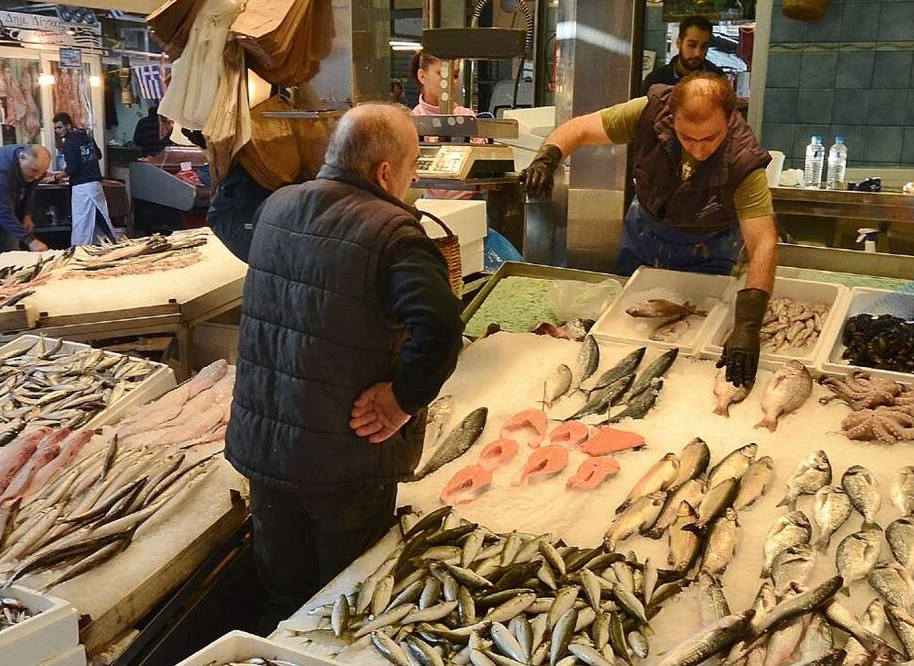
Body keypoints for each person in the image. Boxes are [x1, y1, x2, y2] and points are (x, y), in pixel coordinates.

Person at [226, 103, 464, 632]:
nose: (413, 178)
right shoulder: (394, 233)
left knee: (282, 602)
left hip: (265, 451)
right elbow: (442, 326)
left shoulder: (277, 207)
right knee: (344, 611)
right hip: (345, 460)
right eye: (411, 166)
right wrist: (402, 401)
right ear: (384, 172)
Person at [520, 73, 777, 389]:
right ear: (672, 115)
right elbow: (581, 128)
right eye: (686, 137)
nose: (697, 150)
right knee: (628, 328)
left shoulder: (744, 160)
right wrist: (547, 159)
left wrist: (748, 326)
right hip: (643, 234)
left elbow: (763, 241)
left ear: (730, 118)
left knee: (692, 344)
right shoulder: (649, 112)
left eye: (710, 139)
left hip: (707, 249)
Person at [410, 50, 481, 200]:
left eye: (455, 76)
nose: (451, 82)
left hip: (470, 205)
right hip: (428, 206)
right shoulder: (411, 121)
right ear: (422, 76)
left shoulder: (467, 118)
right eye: (442, 75)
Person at [53, 113, 115, 247]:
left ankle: (80, 250)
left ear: (68, 126)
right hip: (95, 184)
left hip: (82, 186)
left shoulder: (69, 143)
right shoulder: (86, 137)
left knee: (81, 221)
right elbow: (98, 155)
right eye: (56, 129)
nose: (57, 131)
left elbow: (72, 169)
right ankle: (108, 245)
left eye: (59, 127)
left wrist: (55, 177)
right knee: (100, 217)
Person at [641, 16, 726, 94]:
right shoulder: (656, 81)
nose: (697, 53)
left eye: (704, 47)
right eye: (692, 45)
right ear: (679, 43)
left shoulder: (717, 79)